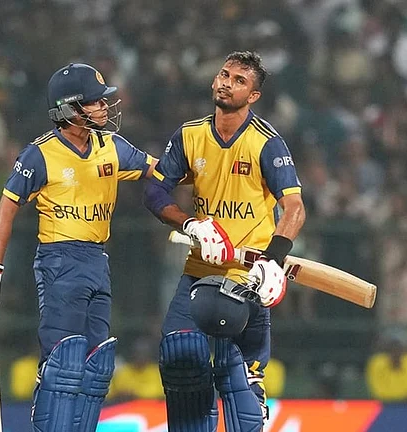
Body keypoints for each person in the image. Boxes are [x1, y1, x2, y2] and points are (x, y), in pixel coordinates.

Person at [0, 63, 156, 432]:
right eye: (96, 102)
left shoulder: (111, 146)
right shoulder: (39, 155)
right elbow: (6, 209)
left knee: (97, 366)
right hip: (59, 261)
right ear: (71, 109)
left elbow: (159, 171)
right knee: (63, 363)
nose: (105, 107)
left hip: (99, 260)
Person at [143, 51, 305, 432]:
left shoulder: (267, 142)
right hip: (199, 272)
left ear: (253, 96)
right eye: (224, 74)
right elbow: (155, 193)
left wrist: (272, 261)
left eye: (239, 81)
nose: (226, 83)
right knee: (180, 360)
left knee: (242, 384)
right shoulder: (189, 135)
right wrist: (191, 225)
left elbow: (295, 208)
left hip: (247, 278)